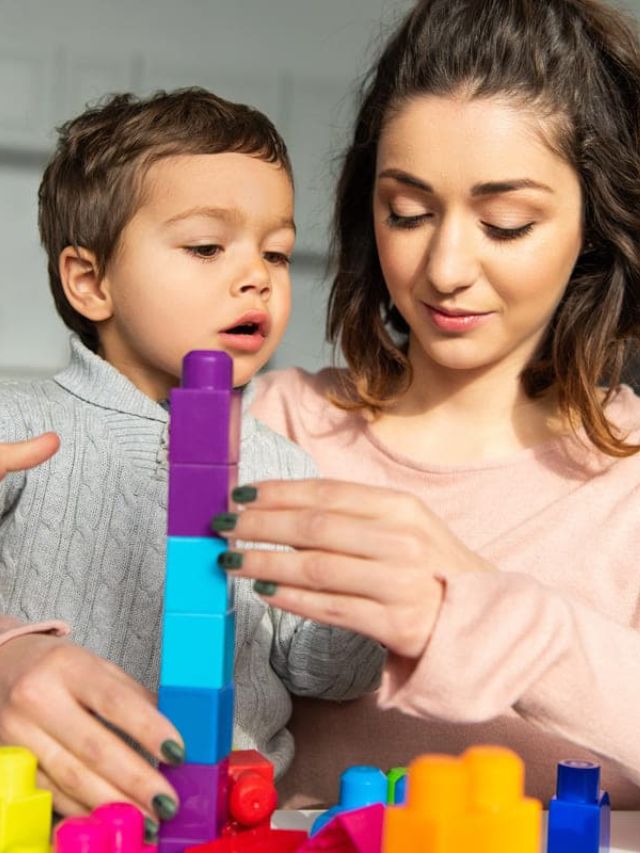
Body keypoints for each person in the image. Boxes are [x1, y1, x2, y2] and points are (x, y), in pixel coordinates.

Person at [224, 0, 640, 807]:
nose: (445, 266)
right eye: (406, 212)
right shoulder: (272, 429)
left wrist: (470, 600)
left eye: (507, 223)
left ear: (594, 222)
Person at [0, 88, 382, 834]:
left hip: (231, 823)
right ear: (91, 280)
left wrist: (358, 598)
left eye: (275, 251)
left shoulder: (285, 471)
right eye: (208, 246)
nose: (258, 276)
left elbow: (328, 675)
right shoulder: (19, 426)